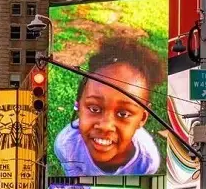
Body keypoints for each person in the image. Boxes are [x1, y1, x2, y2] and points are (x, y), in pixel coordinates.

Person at [52, 40, 165, 176]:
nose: (105, 126)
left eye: (123, 114)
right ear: (78, 105)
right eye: (94, 109)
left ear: (142, 118)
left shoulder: (146, 161)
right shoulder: (66, 146)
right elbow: (76, 185)